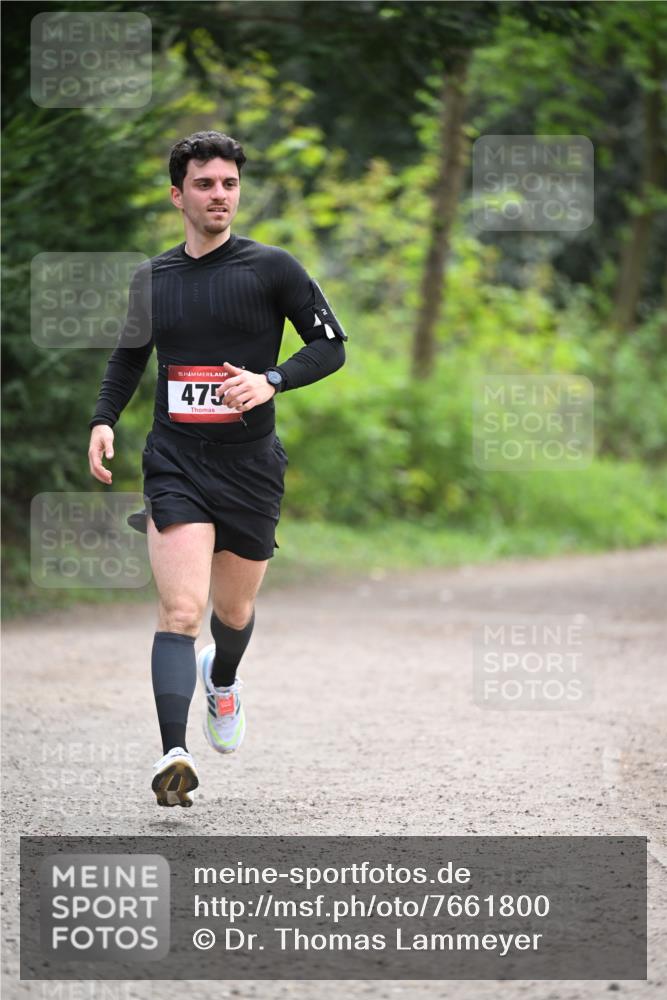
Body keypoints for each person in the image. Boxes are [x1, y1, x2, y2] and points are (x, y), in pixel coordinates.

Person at [88, 131, 347, 807]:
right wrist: (103, 419)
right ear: (178, 195)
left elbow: (330, 347)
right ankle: (173, 753)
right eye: (205, 184)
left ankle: (222, 679)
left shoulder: (273, 269)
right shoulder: (153, 278)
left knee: (233, 611)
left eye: (229, 184)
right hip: (174, 460)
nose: (219, 195)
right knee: (181, 609)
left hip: (250, 465)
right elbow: (128, 357)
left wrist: (271, 379)